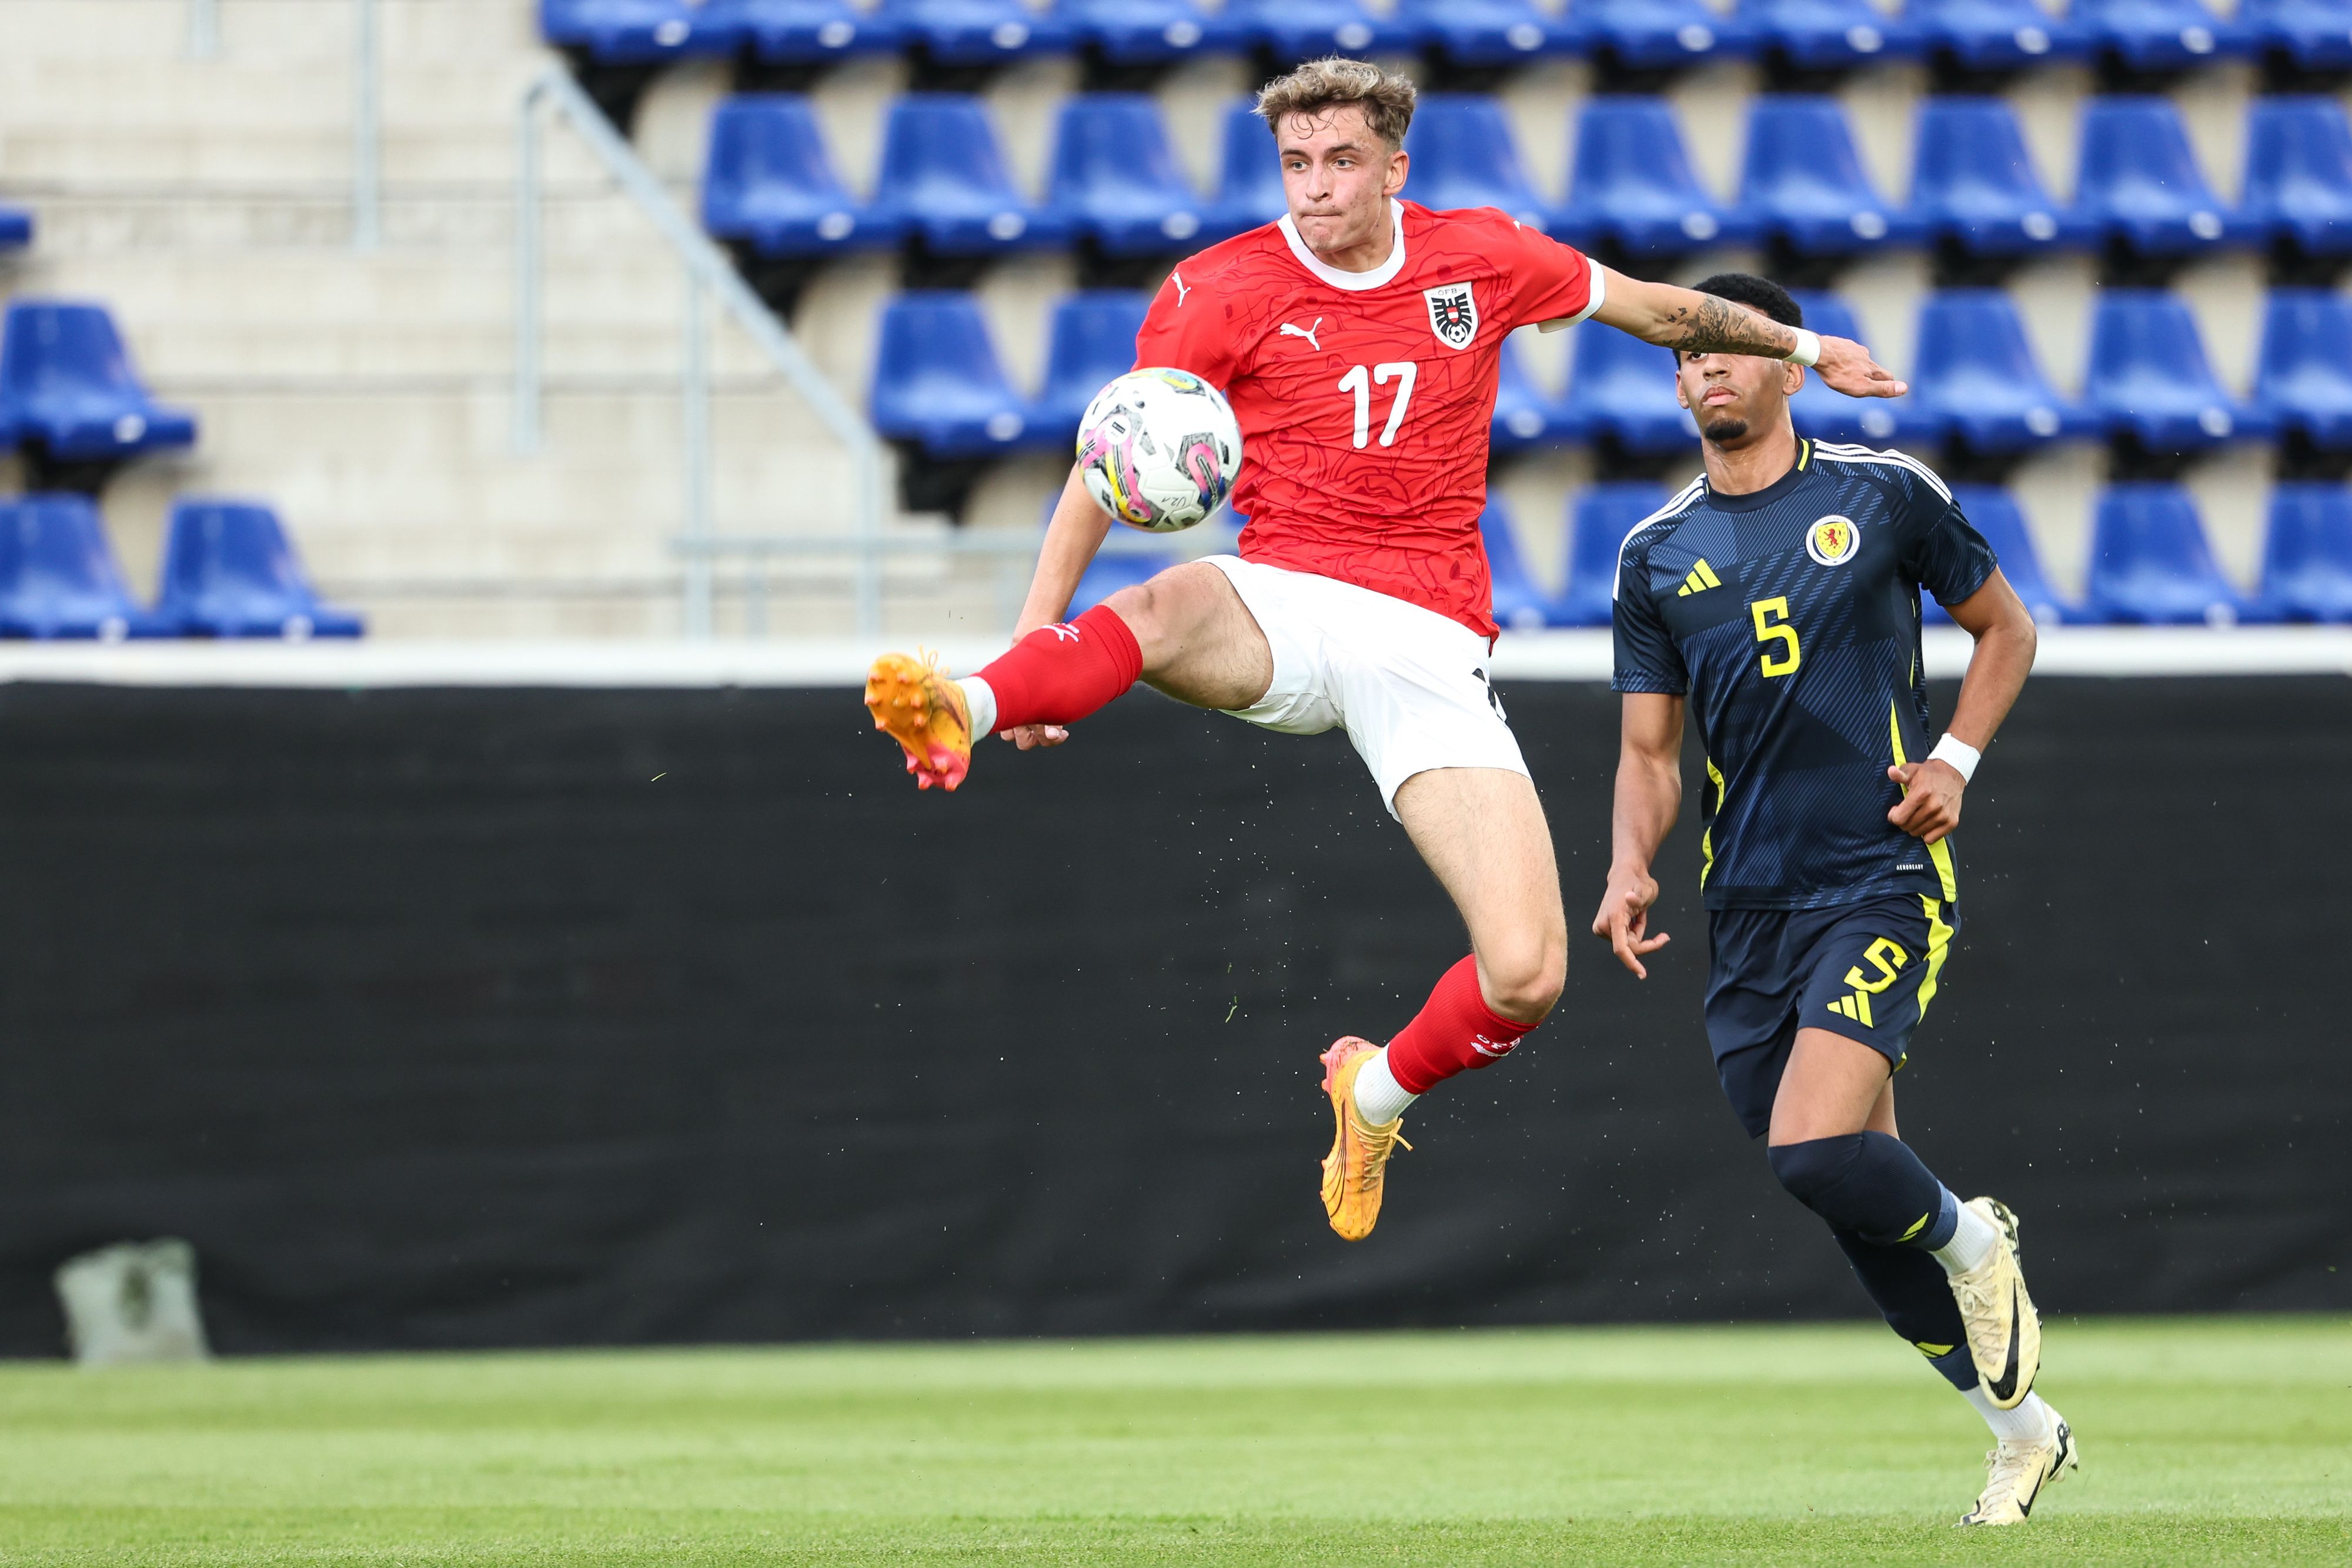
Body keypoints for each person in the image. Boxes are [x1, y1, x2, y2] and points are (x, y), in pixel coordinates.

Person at [864, 62, 1906, 1245]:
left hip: (1426, 635)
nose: (1315, 189)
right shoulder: (1218, 289)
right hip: (1284, 598)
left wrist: (1811, 348)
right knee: (1162, 602)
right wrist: (1030, 643)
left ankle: (1371, 1093)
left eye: (1341, 162)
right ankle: (964, 702)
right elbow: (1105, 466)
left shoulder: (1482, 257)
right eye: (1296, 165)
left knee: (1526, 971)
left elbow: (1664, 312)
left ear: (1392, 167)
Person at [1592, 273, 2066, 1526]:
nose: (1707, 371)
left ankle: (1975, 1238)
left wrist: (1952, 764)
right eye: (1687, 354)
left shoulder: (1881, 491)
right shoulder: (1655, 553)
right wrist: (1626, 861)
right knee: (1836, 1179)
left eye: (1732, 350)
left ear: (1782, 370)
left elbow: (2003, 629)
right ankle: (2020, 1432)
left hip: (1877, 872)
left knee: (1814, 1145)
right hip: (1744, 901)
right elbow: (1648, 752)